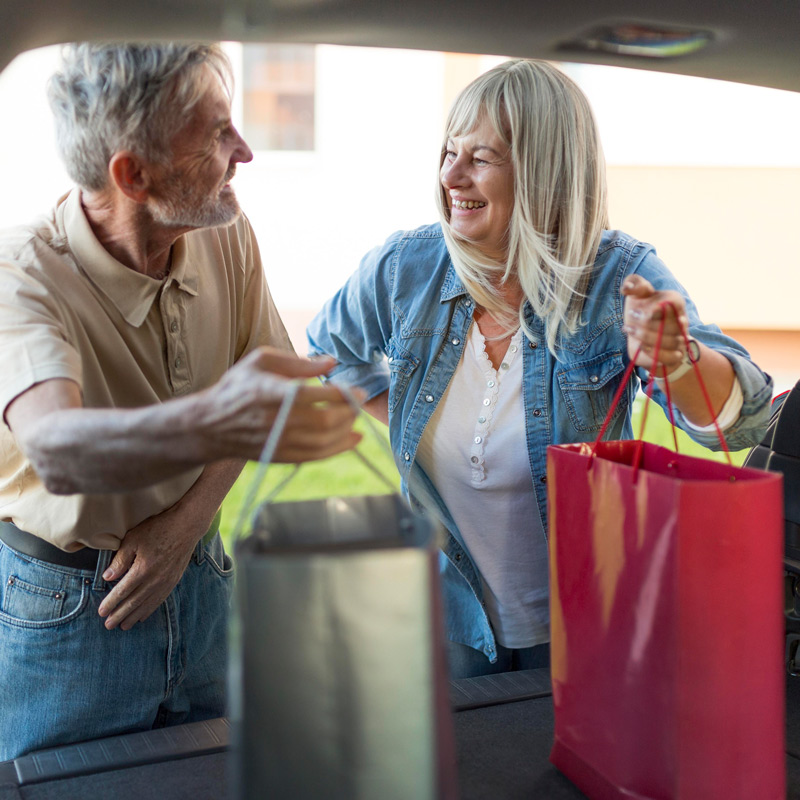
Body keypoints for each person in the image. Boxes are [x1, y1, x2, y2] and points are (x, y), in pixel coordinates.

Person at [307, 59, 773, 679]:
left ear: (543, 172)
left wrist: (678, 360)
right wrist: (393, 416)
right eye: (449, 151)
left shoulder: (616, 275)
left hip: (584, 624)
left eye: (481, 157)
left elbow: (741, 423)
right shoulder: (405, 267)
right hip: (445, 620)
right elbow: (325, 351)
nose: (450, 175)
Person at [0, 42, 361, 760]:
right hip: (72, 611)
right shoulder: (21, 273)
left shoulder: (224, 230)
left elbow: (265, 386)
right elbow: (55, 447)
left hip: (200, 577)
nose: (246, 152)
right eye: (216, 135)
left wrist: (182, 529)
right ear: (133, 174)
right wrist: (218, 418)